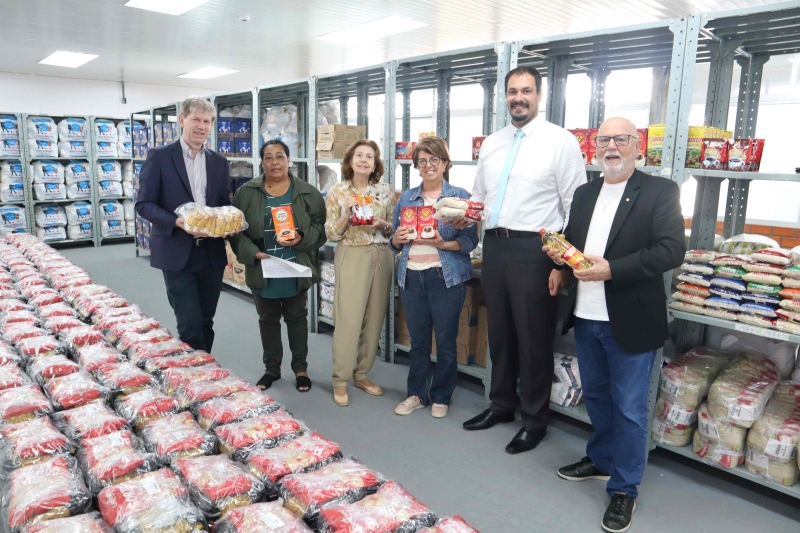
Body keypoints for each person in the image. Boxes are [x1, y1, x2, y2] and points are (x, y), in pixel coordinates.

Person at [544, 117, 685, 533]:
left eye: (620, 140)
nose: (611, 147)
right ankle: (601, 460)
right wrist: (562, 266)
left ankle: (624, 488)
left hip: (630, 318)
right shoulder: (586, 192)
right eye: (603, 140)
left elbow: (672, 249)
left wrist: (612, 270)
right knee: (600, 399)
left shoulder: (660, 190)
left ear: (636, 146)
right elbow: (575, 244)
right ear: (594, 147)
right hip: (587, 317)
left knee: (629, 408)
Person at [459, 66, 586, 454]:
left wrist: (561, 265)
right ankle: (501, 405)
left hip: (537, 250)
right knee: (500, 335)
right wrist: (464, 213)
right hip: (495, 247)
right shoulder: (493, 144)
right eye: (513, 91)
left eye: (526, 91)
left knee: (533, 339)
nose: (519, 98)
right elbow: (480, 197)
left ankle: (534, 420)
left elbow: (575, 207)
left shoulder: (560, 142)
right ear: (505, 96)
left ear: (539, 96)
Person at [136, 96, 234, 353]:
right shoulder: (159, 157)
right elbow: (144, 204)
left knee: (205, 321)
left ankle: (204, 371)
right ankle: (197, 378)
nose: (201, 126)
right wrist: (178, 222)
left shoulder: (218, 162)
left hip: (211, 253)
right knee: (189, 324)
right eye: (196, 120)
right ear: (182, 120)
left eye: (207, 121)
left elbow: (222, 203)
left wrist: (228, 223)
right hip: (177, 251)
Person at [390, 137, 479, 419]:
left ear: (445, 164)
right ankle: (417, 394)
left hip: (445, 278)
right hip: (412, 278)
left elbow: (470, 240)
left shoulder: (459, 197)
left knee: (445, 340)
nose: (428, 165)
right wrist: (396, 238)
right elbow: (393, 241)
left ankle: (441, 395)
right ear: (416, 166)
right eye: (423, 161)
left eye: (434, 160)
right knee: (417, 341)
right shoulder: (406, 198)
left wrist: (444, 244)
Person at [228, 140, 326, 392]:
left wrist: (302, 237)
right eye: (269, 157)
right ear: (262, 162)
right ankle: (271, 369)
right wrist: (252, 252)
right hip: (263, 267)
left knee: (296, 318)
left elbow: (320, 228)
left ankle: (300, 369)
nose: (275, 162)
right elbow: (236, 231)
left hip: (296, 266)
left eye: (279, 157)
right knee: (268, 318)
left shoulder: (308, 193)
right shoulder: (246, 192)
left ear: (288, 160)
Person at [324, 140, 396, 407]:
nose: (364, 160)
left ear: (376, 163)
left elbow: (392, 229)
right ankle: (340, 380)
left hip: (381, 254)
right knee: (348, 319)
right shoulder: (337, 191)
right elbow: (331, 233)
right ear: (350, 161)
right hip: (352, 253)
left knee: (375, 318)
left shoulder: (386, 191)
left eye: (370, 156)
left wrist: (383, 223)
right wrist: (346, 213)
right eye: (359, 155)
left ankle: (362, 374)